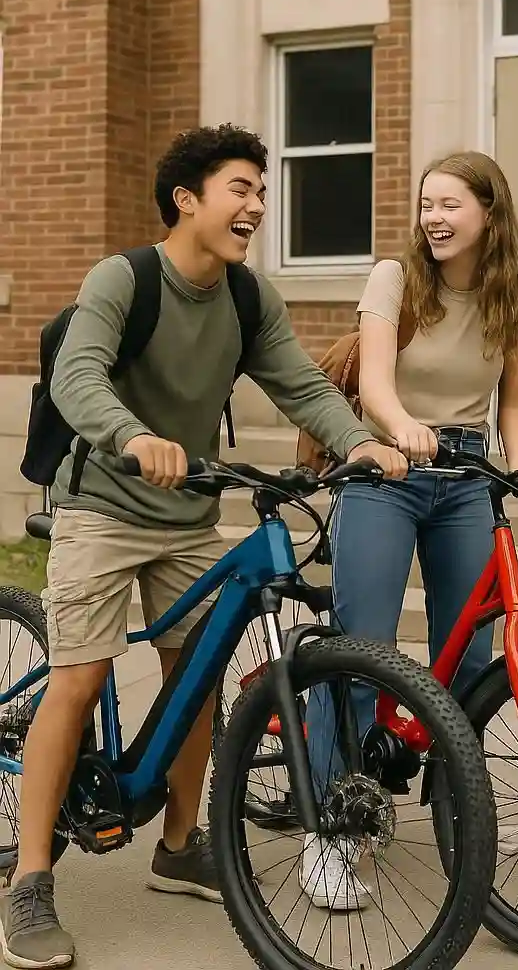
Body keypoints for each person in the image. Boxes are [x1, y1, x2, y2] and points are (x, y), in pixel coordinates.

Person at [0, 124, 406, 969]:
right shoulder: (123, 278)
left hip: (186, 513)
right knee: (78, 679)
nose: (256, 205)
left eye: (262, 191)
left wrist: (359, 442)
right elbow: (79, 375)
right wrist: (130, 435)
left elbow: (298, 381)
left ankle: (180, 843)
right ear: (187, 199)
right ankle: (31, 881)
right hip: (103, 508)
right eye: (240, 189)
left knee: (199, 677)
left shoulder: (248, 298)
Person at [298, 150, 518, 909]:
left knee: (470, 653)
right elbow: (373, 383)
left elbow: (516, 404)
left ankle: (452, 801)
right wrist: (403, 428)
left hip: (468, 478)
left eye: (450, 204)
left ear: (489, 214)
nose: (433, 217)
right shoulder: (394, 280)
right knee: (360, 645)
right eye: (426, 204)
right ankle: (333, 825)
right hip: (386, 473)